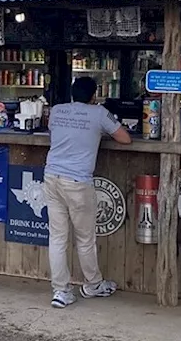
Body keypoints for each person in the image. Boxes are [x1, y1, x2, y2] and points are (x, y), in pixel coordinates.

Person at [44, 76, 132, 308]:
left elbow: (57, 134)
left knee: (57, 238)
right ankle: (92, 285)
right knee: (85, 239)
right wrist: (100, 131)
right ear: (94, 95)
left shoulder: (57, 110)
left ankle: (61, 291)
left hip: (51, 176)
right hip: (77, 182)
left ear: (72, 94)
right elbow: (125, 138)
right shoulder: (99, 113)